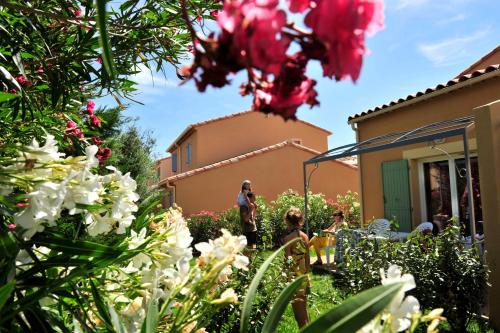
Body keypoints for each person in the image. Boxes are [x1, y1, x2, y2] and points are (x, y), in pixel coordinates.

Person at [282, 207, 310, 329]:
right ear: (300, 221)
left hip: (294, 275)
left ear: (287, 221)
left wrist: (286, 274)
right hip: (304, 273)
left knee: (297, 309)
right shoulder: (305, 237)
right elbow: (308, 259)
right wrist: (306, 273)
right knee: (303, 305)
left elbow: (288, 259)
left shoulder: (288, 239)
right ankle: (309, 328)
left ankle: (304, 329)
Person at [237, 180, 257, 249]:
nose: (248, 186)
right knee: (249, 245)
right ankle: (248, 254)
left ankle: (253, 251)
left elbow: (252, 199)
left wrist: (254, 205)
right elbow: (246, 198)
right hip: (248, 230)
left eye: (249, 185)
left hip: (253, 229)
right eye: (246, 184)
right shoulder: (244, 206)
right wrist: (250, 205)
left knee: (254, 244)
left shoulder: (249, 193)